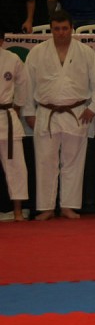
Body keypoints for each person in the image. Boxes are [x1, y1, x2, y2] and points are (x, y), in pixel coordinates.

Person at [25, 11, 95, 220]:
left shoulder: (85, 52)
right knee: (45, 162)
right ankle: (46, 207)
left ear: (72, 29)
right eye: (57, 29)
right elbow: (27, 84)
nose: (61, 33)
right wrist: (29, 112)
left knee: (73, 162)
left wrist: (93, 107)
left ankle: (68, 206)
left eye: (65, 28)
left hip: (76, 112)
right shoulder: (37, 52)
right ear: (51, 29)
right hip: (46, 112)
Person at [0, 30, 32, 221]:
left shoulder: (12, 59)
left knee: (16, 166)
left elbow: (23, 84)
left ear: (2, 41)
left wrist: (18, 105)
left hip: (6, 115)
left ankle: (18, 210)